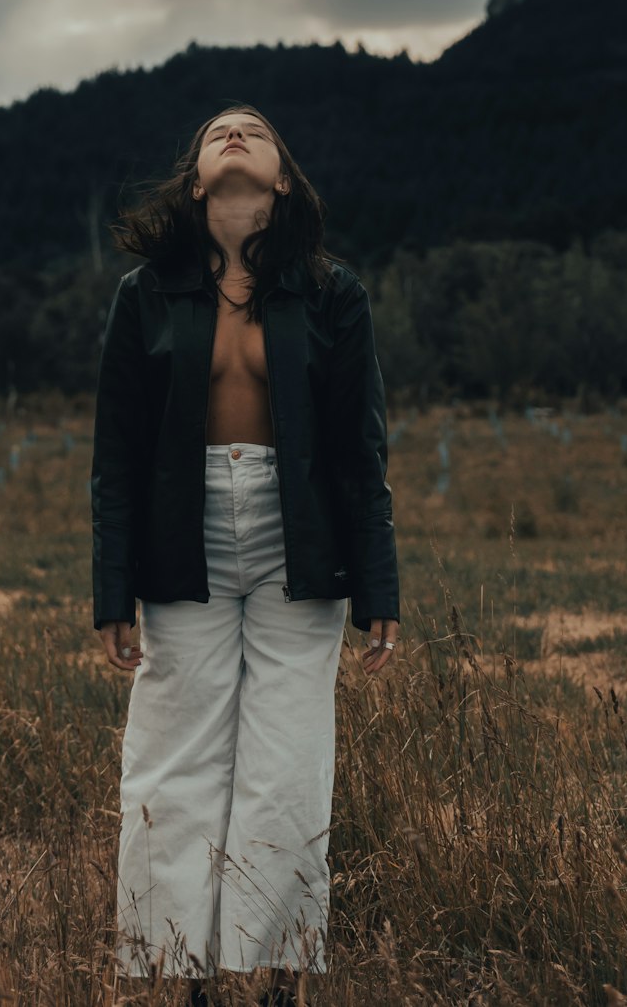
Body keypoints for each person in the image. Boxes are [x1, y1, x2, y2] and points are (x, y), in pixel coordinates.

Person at [91, 104, 399, 1006]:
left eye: (253, 129)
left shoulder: (333, 292)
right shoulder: (143, 295)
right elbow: (115, 458)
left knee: (288, 754)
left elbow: (359, 450)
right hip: (177, 535)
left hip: (297, 537)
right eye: (217, 131)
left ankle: (273, 971)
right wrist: (112, 587)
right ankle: (180, 967)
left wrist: (378, 580)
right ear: (196, 183)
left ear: (283, 180)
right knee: (172, 755)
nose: (232, 133)